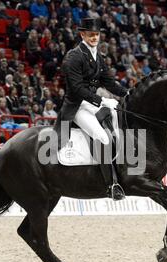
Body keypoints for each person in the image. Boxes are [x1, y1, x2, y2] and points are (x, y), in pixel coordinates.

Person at [55, 18, 128, 200]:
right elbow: (77, 88)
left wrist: (129, 94)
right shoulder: (74, 56)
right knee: (102, 138)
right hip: (77, 106)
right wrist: (102, 100)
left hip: (91, 104)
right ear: (82, 35)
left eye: (96, 34)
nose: (94, 37)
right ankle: (111, 185)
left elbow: (109, 82)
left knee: (117, 125)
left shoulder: (98, 56)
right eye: (90, 34)